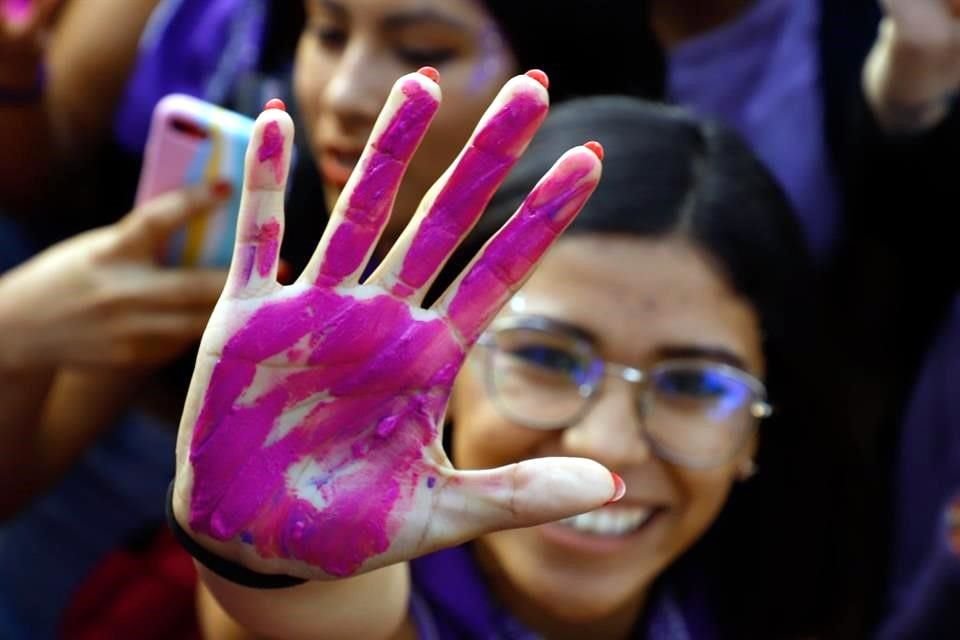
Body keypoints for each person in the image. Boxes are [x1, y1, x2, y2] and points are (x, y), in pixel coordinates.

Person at [171, 74, 861, 639]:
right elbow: (316, 608)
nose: (604, 447)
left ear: (760, 425)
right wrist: (266, 568)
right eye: (549, 358)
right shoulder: (360, 576)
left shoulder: (791, 598)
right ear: (444, 374)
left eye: (697, 386)